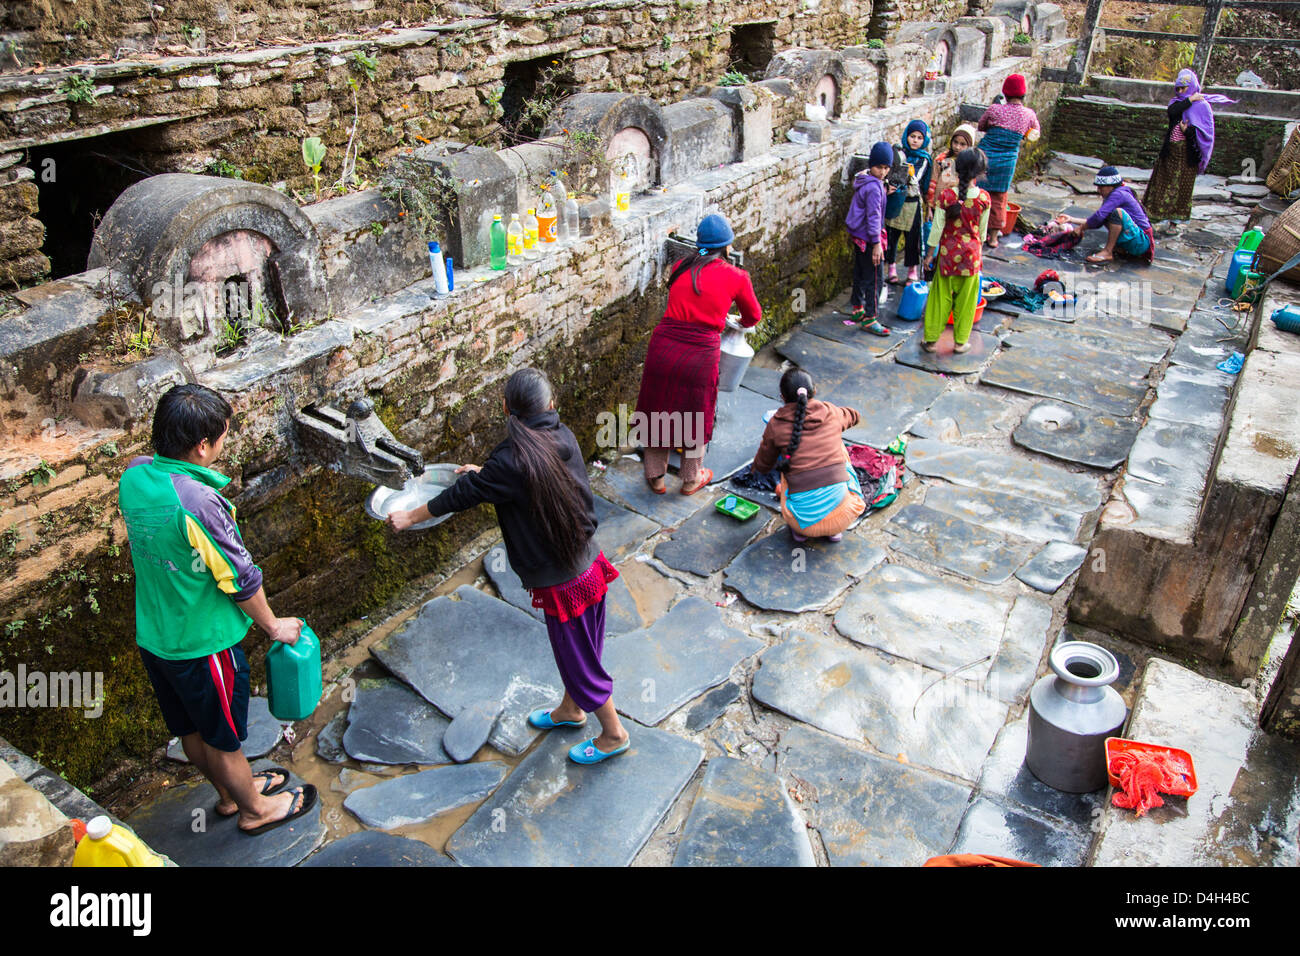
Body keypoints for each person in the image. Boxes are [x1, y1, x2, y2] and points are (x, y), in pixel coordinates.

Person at [386, 368, 631, 765]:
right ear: (550, 405)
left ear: (506, 409)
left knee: (581, 662)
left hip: (565, 582)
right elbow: (524, 477)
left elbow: (461, 495)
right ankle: (571, 710)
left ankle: (613, 734)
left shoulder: (511, 459)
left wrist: (410, 517)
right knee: (580, 652)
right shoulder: (560, 436)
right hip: (589, 564)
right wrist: (485, 474)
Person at [118, 384, 316, 835]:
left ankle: (230, 792)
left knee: (191, 729)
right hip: (203, 644)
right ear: (202, 445)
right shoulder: (199, 504)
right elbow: (241, 579)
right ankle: (253, 809)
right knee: (225, 738)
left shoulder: (134, 476)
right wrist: (272, 626)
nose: (223, 445)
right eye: (223, 437)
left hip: (156, 636)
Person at [634, 213, 761, 496]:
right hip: (701, 352)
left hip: (664, 346)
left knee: (658, 409)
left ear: (700, 245)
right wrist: (733, 320)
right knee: (696, 413)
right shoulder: (737, 277)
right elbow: (753, 316)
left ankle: (656, 477)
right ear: (727, 247)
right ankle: (691, 479)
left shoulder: (681, 266)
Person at [751, 368, 865, 543]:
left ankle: (802, 534)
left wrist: (769, 444)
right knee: (840, 446)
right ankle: (833, 531)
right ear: (815, 391)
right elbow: (854, 415)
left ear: (782, 397)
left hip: (800, 523)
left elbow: (763, 466)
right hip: (846, 516)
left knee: (787, 462)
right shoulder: (831, 412)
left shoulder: (776, 425)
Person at [922, 148, 991, 354]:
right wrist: (980, 255)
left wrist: (929, 256)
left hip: (947, 256)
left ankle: (931, 341)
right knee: (967, 302)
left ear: (955, 169)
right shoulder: (984, 199)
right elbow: (984, 234)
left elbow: (936, 230)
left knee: (939, 299)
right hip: (971, 258)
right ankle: (961, 343)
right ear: (980, 173)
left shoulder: (946, 197)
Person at [1144, 69, 1235, 222]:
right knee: (1162, 182)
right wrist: (1189, 100)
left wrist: (1188, 131)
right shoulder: (1178, 103)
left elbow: (1205, 133)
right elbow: (1172, 113)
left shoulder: (1202, 106)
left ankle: (1175, 221)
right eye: (1177, 89)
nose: (1180, 91)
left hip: (1188, 155)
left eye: (1183, 88)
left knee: (1182, 187)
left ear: (1192, 86)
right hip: (1170, 151)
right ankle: (1154, 216)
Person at [976, 74, 1040, 248]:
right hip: (1007, 160)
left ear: (1005, 92)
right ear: (1023, 94)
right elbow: (1035, 133)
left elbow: (981, 126)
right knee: (999, 197)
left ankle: (975, 231)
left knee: (977, 193)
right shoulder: (1029, 114)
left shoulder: (995, 109)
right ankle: (994, 237)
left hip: (986, 156)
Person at [846, 141, 895, 336]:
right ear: (871, 164)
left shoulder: (864, 180)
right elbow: (874, 216)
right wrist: (876, 244)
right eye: (879, 167)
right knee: (875, 278)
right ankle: (870, 317)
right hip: (869, 238)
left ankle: (857, 307)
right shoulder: (875, 188)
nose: (882, 172)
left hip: (859, 237)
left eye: (886, 168)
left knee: (859, 271)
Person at [1060, 166, 1154, 264]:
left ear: (1111, 186)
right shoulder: (1114, 195)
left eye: (1101, 187)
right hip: (1136, 240)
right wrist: (1071, 219)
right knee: (1107, 215)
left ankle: (1108, 252)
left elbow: (1098, 217)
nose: (1098, 190)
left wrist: (1081, 228)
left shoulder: (1119, 194)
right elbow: (1098, 220)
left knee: (1116, 213)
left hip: (1141, 243)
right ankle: (1120, 248)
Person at [886, 119, 934, 285]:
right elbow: (891, 171)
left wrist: (903, 172)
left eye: (919, 138)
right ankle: (891, 267)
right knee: (891, 235)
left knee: (912, 238)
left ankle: (912, 270)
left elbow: (916, 178)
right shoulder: (899, 153)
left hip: (913, 201)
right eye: (912, 136)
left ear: (924, 140)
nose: (915, 140)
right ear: (907, 136)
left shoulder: (924, 159)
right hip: (896, 199)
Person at [927, 123, 980, 207]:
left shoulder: (970, 164)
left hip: (956, 207)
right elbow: (932, 184)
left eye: (963, 144)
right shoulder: (941, 160)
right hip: (937, 204)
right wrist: (930, 205)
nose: (957, 147)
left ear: (969, 146)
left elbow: (971, 187)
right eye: (955, 142)